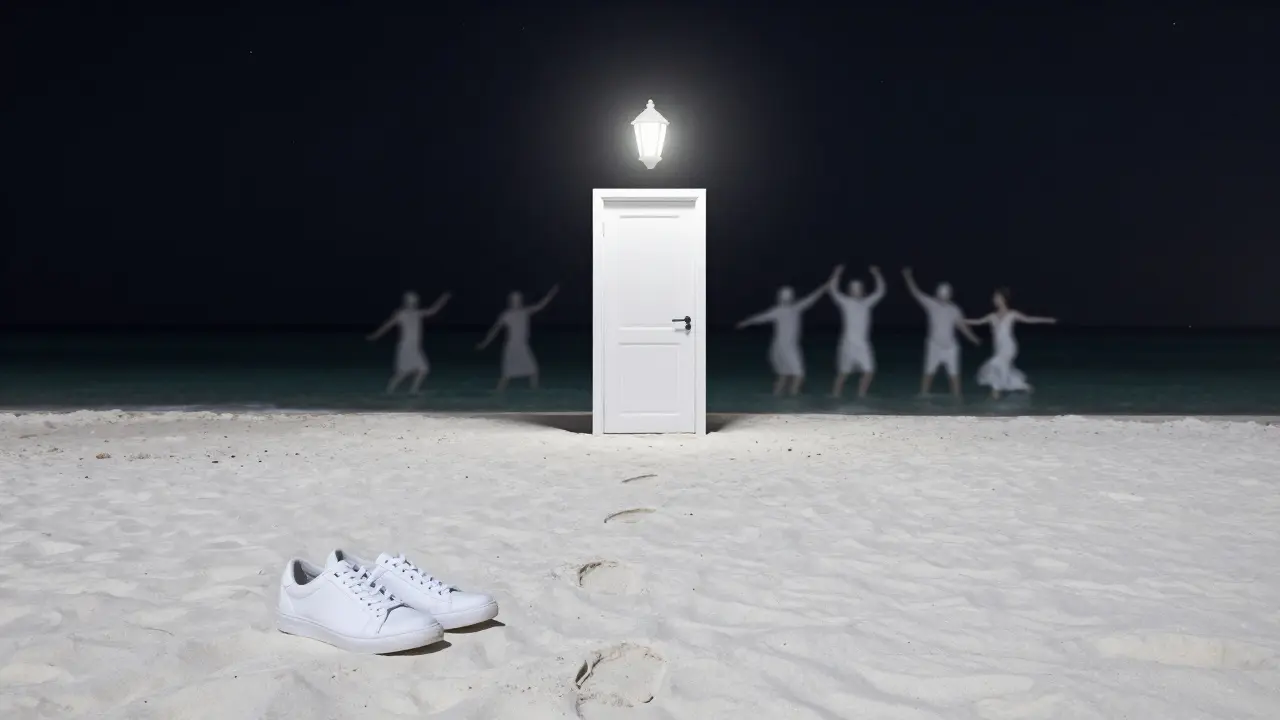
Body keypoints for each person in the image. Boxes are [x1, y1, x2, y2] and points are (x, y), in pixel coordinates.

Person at [736, 267, 840, 397]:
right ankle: (793, 398)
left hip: (781, 347)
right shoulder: (787, 309)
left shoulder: (790, 308)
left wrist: (745, 323)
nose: (786, 300)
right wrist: (745, 322)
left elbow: (813, 296)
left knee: (784, 375)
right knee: (798, 374)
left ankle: (777, 399)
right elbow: (759, 318)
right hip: (785, 347)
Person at [902, 267, 981, 398]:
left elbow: (962, 327)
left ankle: (957, 399)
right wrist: (908, 276)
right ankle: (923, 396)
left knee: (954, 375)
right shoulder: (931, 304)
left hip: (951, 348)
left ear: (950, 294)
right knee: (928, 373)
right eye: (941, 293)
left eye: (946, 293)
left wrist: (973, 338)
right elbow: (916, 292)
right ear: (937, 293)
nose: (943, 295)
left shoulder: (955, 309)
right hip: (934, 346)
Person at [966, 287, 1057, 399]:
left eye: (997, 297)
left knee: (994, 365)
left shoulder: (1012, 314)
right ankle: (1023, 387)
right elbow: (977, 322)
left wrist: (1047, 320)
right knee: (1002, 369)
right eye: (994, 298)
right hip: (999, 349)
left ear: (1004, 299)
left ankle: (995, 394)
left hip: (1009, 347)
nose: (994, 299)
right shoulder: (992, 316)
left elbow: (1029, 319)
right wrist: (960, 321)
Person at [476, 284, 560, 391]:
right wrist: (484, 343)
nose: (516, 300)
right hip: (511, 347)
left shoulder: (525, 311)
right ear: (510, 300)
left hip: (523, 347)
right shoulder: (506, 314)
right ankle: (495, 397)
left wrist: (551, 293)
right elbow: (494, 330)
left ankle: (535, 394)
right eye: (514, 298)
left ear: (521, 300)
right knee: (507, 375)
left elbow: (541, 305)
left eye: (518, 298)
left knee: (534, 371)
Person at [367, 291, 451, 395]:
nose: (414, 302)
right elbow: (388, 325)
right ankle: (388, 391)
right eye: (412, 300)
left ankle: (413, 391)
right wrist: (375, 335)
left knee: (423, 369)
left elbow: (432, 311)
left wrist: (443, 299)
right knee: (403, 372)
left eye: (415, 300)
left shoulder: (417, 313)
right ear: (406, 301)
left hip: (415, 347)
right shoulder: (401, 313)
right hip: (405, 346)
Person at [827, 264, 886, 399]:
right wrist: (836, 273)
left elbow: (880, 291)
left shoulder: (867, 303)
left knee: (869, 371)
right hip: (847, 344)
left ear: (862, 290)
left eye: (858, 289)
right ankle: (834, 395)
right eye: (853, 289)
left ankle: (861, 394)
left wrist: (877, 274)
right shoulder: (845, 302)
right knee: (843, 373)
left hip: (863, 344)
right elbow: (833, 290)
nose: (856, 291)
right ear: (850, 291)